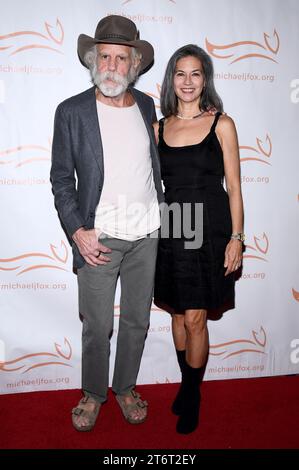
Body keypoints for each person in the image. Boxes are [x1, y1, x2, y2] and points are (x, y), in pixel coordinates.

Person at [50, 15, 164, 431]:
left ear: (134, 64)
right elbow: (61, 179)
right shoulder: (72, 111)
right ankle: (94, 393)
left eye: (121, 58)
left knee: (137, 319)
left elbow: (154, 165)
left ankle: (126, 387)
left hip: (147, 232)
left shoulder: (148, 105)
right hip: (99, 237)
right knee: (98, 325)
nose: (113, 65)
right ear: (93, 60)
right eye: (105, 56)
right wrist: (78, 230)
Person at [153, 44, 244, 434]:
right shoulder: (158, 127)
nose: (187, 82)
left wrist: (238, 237)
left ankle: (191, 394)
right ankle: (188, 385)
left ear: (205, 79)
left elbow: (236, 187)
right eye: (180, 74)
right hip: (173, 227)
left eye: (195, 74)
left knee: (195, 318)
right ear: (171, 79)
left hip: (210, 231)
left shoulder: (222, 123)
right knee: (176, 312)